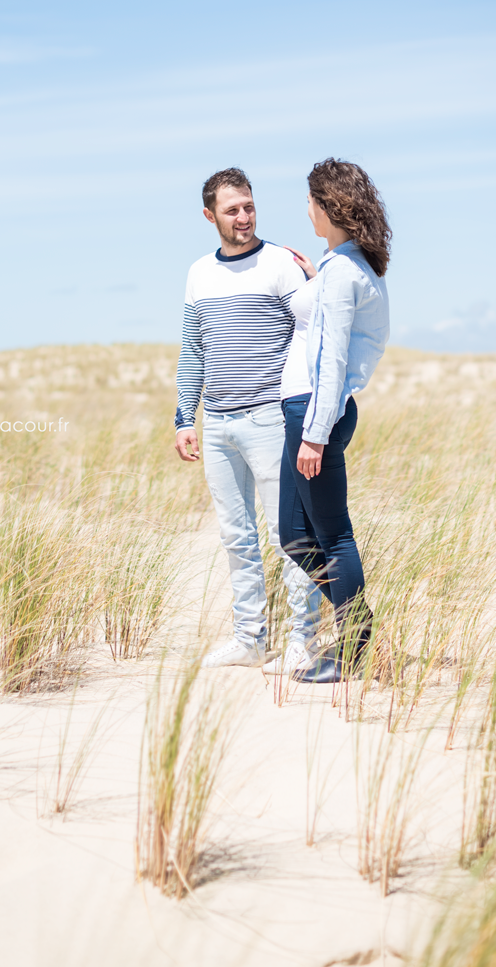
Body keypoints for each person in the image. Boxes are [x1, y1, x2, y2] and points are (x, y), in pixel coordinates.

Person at [175, 168, 323, 667]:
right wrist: (183, 419)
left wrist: (319, 283)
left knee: (290, 537)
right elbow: (194, 350)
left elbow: (319, 328)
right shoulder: (199, 273)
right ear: (209, 215)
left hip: (269, 420)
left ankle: (302, 642)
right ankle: (250, 639)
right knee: (236, 537)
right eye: (232, 209)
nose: (243, 217)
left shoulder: (281, 263)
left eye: (249, 207)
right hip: (216, 426)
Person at [266, 158, 391, 682]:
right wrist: (317, 275)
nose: (308, 212)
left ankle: (356, 649)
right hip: (308, 410)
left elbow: (332, 359)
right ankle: (358, 627)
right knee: (295, 535)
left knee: (333, 535)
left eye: (312, 203)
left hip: (314, 412)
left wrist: (314, 436)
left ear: (330, 206)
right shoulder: (345, 265)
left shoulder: (344, 272)